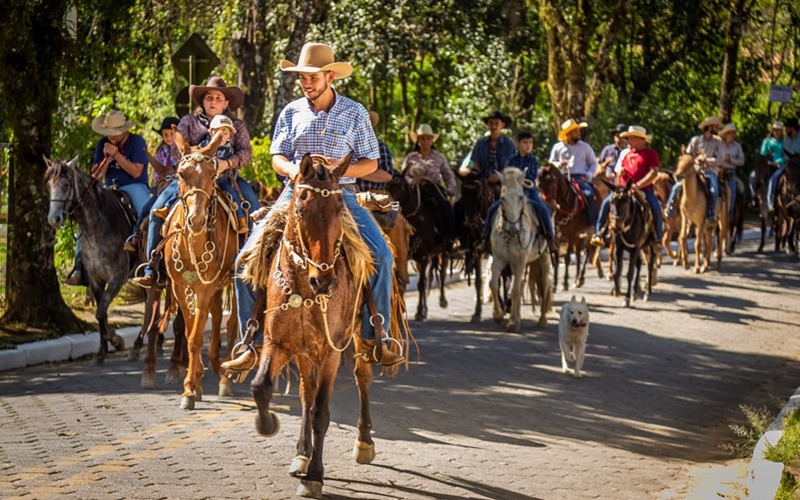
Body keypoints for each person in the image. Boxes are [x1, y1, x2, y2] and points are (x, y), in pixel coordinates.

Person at [223, 42, 403, 371]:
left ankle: (377, 335)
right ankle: (252, 341)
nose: (306, 83)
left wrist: (336, 171)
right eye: (302, 78)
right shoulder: (291, 111)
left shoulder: (355, 112)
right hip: (296, 196)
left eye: (312, 77)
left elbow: (370, 162)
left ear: (329, 76)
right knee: (244, 259)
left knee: (382, 256)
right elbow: (277, 156)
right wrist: (293, 171)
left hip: (340, 196)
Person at [132, 76, 259, 288]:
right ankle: (152, 268)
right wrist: (194, 165)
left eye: (219, 98)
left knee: (254, 210)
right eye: (209, 97)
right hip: (191, 179)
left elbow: (246, 153)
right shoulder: (188, 122)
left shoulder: (237, 125)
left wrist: (225, 164)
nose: (213, 101)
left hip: (227, 178)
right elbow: (175, 150)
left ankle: (254, 266)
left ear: (226, 103)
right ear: (202, 101)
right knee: (156, 211)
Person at [65, 110, 150, 286]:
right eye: (109, 134)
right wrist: (107, 157)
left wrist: (117, 155)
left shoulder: (137, 142)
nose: (112, 137)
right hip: (108, 187)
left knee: (147, 213)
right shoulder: (102, 144)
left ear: (124, 130)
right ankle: (80, 267)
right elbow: (95, 176)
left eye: (116, 134)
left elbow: (136, 172)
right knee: (86, 218)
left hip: (134, 185)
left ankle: (151, 262)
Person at [480, 129, 558, 252]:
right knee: (492, 209)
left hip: (529, 191)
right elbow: (507, 173)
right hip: (513, 192)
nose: (528, 145)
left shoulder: (533, 160)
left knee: (543, 209)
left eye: (530, 143)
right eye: (525, 142)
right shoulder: (511, 159)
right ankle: (484, 238)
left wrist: (520, 180)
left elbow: (531, 177)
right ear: (518, 144)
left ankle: (550, 238)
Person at [591, 126, 662, 250]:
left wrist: (638, 185)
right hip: (623, 190)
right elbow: (618, 173)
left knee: (655, 207)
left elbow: (653, 173)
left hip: (643, 189)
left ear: (640, 139)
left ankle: (657, 238)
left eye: (631, 138)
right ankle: (599, 233)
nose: (628, 141)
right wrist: (620, 173)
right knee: (606, 203)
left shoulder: (650, 154)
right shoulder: (627, 154)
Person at [124, 116, 179, 254]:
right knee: (146, 208)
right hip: (162, 187)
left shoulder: (183, 151)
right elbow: (156, 174)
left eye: (172, 134)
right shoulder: (161, 152)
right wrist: (162, 178)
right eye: (165, 135)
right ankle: (136, 236)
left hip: (179, 187)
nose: (168, 137)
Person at [401, 123, 457, 250]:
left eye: (428, 138)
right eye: (422, 138)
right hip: (414, 190)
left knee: (448, 210)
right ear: (418, 140)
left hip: (433, 189)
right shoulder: (411, 157)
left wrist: (451, 189)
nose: (425, 141)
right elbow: (402, 176)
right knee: (398, 210)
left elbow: (448, 175)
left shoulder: (439, 157)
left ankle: (448, 240)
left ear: (432, 140)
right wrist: (412, 180)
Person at [665, 116, 725, 222]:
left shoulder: (718, 143)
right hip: (694, 170)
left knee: (714, 190)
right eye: (715, 126)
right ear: (709, 127)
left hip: (710, 171)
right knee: (677, 186)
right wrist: (696, 159)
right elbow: (687, 155)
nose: (717, 128)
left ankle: (711, 214)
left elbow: (720, 159)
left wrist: (706, 160)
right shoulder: (696, 140)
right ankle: (670, 209)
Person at [198, 114, 250, 233]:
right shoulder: (202, 146)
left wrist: (228, 163)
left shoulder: (229, 150)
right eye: (219, 132)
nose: (222, 136)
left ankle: (240, 218)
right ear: (211, 133)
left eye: (225, 133)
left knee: (232, 194)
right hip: (204, 180)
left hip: (222, 179)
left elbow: (240, 157)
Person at [548, 118, 599, 225]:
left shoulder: (585, 147)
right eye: (575, 131)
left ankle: (591, 224)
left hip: (579, 178)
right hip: (561, 178)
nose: (578, 133)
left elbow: (594, 163)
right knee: (547, 196)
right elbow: (551, 163)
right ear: (568, 134)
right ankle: (548, 224)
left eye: (578, 130)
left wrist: (588, 175)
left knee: (589, 194)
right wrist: (559, 164)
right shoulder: (557, 147)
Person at [458, 110, 516, 178]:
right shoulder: (480, 143)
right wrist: (475, 173)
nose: (493, 126)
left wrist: (498, 177)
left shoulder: (509, 144)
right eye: (491, 123)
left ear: (502, 125)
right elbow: (475, 163)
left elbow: (512, 167)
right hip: (482, 179)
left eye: (496, 123)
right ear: (487, 124)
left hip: (503, 180)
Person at [764, 118, 800, 211]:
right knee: (774, 177)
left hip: (799, 165)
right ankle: (771, 200)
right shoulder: (785, 140)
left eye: (788, 128)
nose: (786, 130)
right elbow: (782, 155)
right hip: (787, 164)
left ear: (793, 128)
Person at [355, 111, 394, 192]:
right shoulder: (344, 147)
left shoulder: (379, 146)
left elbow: (387, 176)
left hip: (374, 197)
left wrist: (355, 173)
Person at [718, 123, 745, 217]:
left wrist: (731, 160)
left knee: (732, 191)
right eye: (730, 133)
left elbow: (742, 161)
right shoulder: (719, 144)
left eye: (733, 133)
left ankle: (731, 213)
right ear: (726, 134)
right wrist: (721, 160)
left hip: (730, 172)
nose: (733, 135)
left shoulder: (737, 146)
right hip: (719, 172)